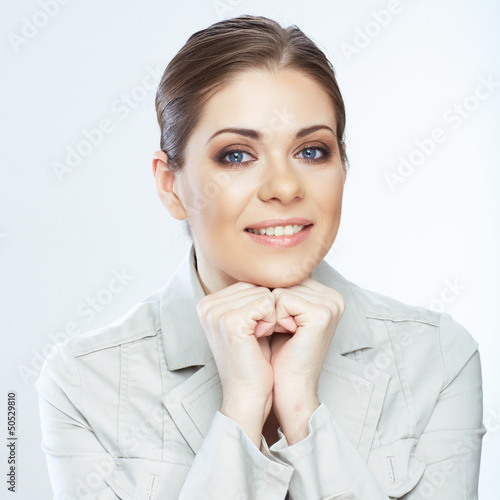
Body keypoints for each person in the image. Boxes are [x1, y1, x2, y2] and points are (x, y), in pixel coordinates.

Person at [36, 14, 485, 500]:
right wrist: (242, 410)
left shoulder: (436, 358)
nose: (285, 187)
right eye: (236, 155)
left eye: (312, 151)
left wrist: (302, 412)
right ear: (171, 185)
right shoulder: (85, 382)